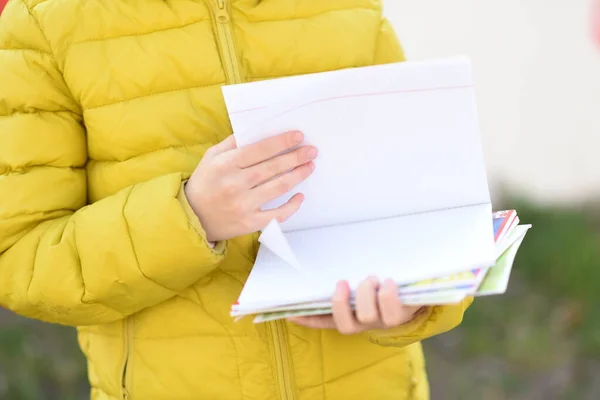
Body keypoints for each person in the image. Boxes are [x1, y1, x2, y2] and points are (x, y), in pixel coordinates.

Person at [0, 1, 472, 399]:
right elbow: (21, 260)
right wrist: (190, 217)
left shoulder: (349, 8)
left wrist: (413, 302)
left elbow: (417, 200)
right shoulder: (44, 20)